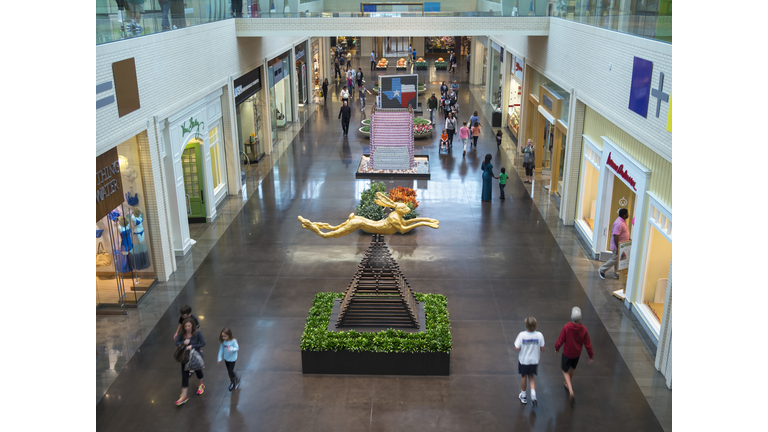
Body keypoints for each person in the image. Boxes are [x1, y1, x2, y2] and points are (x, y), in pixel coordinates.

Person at [555, 307, 594, 407]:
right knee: (572, 368)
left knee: (564, 370)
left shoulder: (566, 327)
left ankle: (571, 390)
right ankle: (568, 384)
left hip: (567, 353)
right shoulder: (584, 330)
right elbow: (588, 344)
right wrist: (590, 355)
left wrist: (557, 348)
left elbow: (561, 340)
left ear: (571, 317)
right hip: (577, 354)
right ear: (581, 317)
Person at [514, 317, 545, 406]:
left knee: (524, 376)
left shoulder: (522, 335)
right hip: (534, 361)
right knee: (531, 376)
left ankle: (523, 396)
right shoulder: (539, 335)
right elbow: (542, 348)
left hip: (524, 361)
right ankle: (533, 396)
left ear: (526, 325)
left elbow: (516, 348)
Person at [175, 317, 206, 406]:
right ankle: (184, 396)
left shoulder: (197, 333)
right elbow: (177, 343)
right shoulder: (182, 334)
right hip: (185, 356)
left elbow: (203, 343)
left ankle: (201, 384)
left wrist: (193, 346)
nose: (187, 328)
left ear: (192, 325)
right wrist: (183, 343)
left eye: (189, 326)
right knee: (185, 375)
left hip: (195, 355)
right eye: (186, 326)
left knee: (198, 371)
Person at [599, 208, 630, 280]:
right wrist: (618, 247)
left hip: (622, 245)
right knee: (614, 259)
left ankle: (616, 274)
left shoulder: (623, 221)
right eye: (627, 213)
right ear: (624, 215)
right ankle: (602, 269)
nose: (628, 215)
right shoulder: (619, 223)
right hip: (618, 246)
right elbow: (616, 236)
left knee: (618, 259)